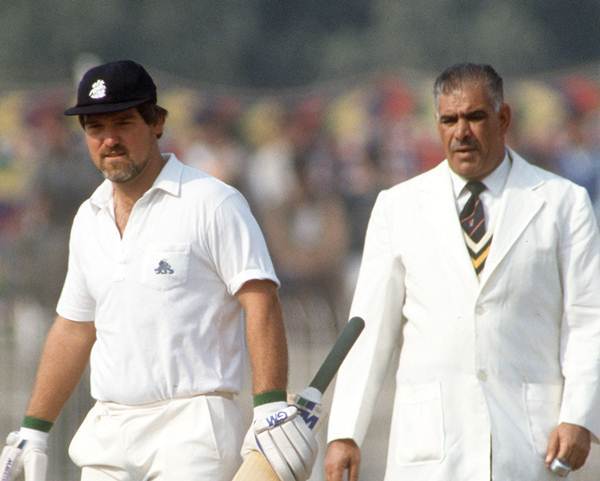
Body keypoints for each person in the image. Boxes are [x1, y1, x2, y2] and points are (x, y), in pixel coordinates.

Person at [0, 60, 316, 481]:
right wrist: (34, 429)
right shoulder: (89, 217)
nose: (109, 139)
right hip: (109, 428)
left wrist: (270, 405)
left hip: (193, 427)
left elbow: (259, 299)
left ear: (157, 123)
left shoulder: (211, 202)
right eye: (95, 127)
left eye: (123, 122)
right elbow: (75, 327)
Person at [324, 63, 600, 481]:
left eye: (475, 117)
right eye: (449, 120)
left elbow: (589, 319)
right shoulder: (399, 207)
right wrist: (344, 432)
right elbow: (367, 329)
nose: (461, 132)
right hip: (431, 446)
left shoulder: (564, 203)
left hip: (528, 442)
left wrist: (579, 415)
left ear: (502, 118)